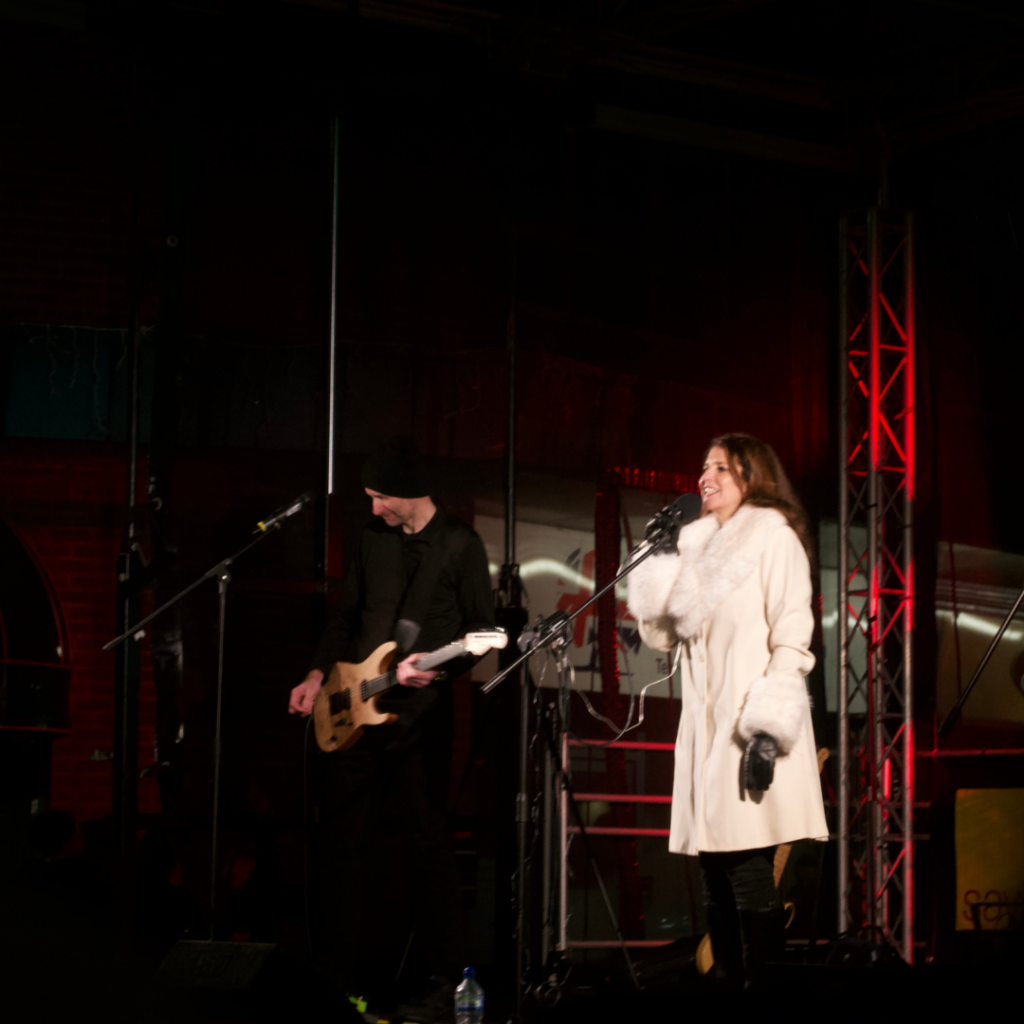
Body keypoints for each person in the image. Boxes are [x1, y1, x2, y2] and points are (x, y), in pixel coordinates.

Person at [289, 436, 494, 1021]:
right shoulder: (372, 538)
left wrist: (439, 667)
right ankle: (335, 981)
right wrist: (314, 674)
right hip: (351, 710)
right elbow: (345, 614)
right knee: (341, 849)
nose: (373, 508)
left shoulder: (459, 545)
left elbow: (483, 633)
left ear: (408, 492)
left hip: (419, 723)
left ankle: (448, 986)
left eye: (380, 497)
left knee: (428, 848)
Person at [627, 432, 827, 988]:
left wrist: (768, 730)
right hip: (706, 731)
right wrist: (660, 559)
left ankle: (764, 988)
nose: (704, 477)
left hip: (751, 725)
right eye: (703, 465)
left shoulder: (774, 539)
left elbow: (793, 632)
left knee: (746, 871)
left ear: (751, 476)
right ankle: (729, 988)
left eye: (720, 467)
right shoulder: (695, 545)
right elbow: (662, 635)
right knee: (714, 870)